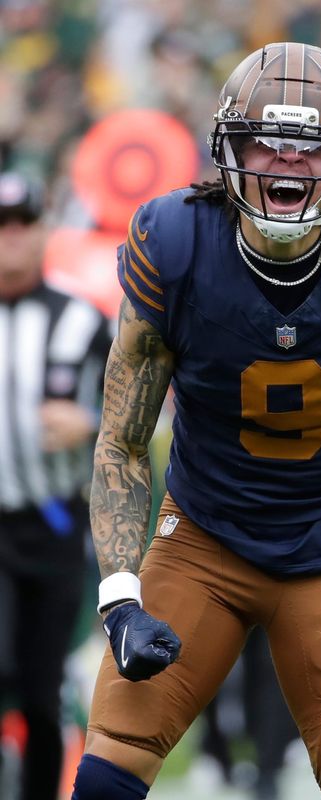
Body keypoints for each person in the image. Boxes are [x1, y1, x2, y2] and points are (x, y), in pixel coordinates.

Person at [70, 41, 321, 800]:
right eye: (265, 145)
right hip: (203, 539)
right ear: (228, 149)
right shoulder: (176, 244)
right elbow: (120, 440)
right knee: (113, 761)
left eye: (311, 150)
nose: (286, 165)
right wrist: (119, 596)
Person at [0, 171, 111, 800]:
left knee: (42, 692)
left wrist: (90, 422)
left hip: (53, 521)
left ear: (43, 230)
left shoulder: (80, 321)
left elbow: (135, 421)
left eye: (22, 224)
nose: (10, 239)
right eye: (0, 227)